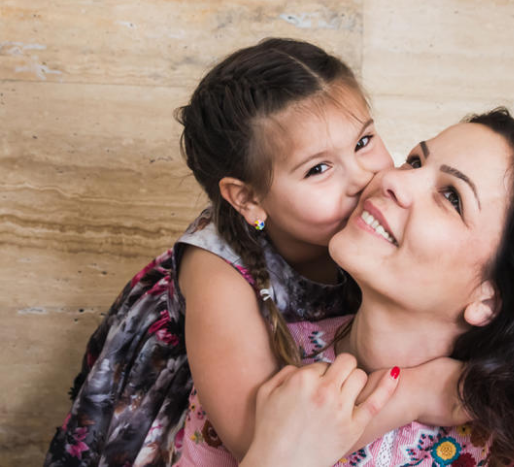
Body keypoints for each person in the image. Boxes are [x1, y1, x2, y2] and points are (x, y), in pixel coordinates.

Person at [44, 38, 463, 467]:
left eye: (363, 141)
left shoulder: (364, 217)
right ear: (248, 199)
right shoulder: (217, 272)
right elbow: (259, 442)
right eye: (318, 168)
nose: (363, 178)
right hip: (213, 392)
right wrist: (416, 393)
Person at [186, 108, 514, 466]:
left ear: (490, 297)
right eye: (415, 160)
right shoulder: (259, 363)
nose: (393, 180)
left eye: (451, 197)